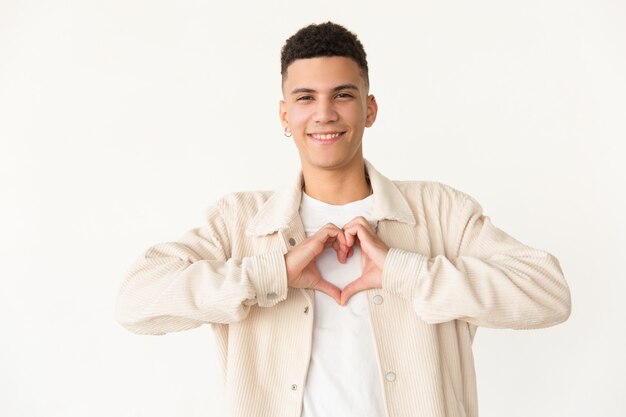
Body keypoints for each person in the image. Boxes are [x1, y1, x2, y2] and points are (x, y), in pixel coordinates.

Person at [115, 21, 571, 417]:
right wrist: (272, 271)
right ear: (285, 114)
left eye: (343, 95)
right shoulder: (239, 222)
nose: (325, 113)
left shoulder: (440, 212)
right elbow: (136, 302)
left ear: (369, 109)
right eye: (306, 97)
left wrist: (402, 269)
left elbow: (548, 293)